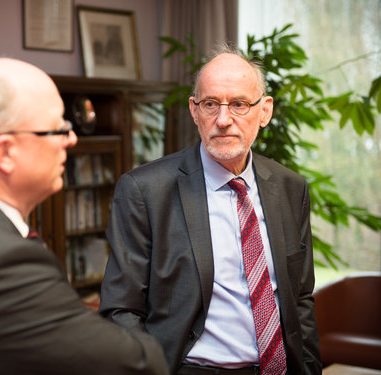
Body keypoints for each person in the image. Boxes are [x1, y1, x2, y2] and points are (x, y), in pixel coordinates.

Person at [0, 57, 169, 375]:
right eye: (57, 128)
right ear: (5, 152)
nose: (71, 139)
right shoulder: (0, 264)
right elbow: (137, 365)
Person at [99, 46, 322, 375]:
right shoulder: (145, 191)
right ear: (194, 110)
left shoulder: (290, 188)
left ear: (265, 111)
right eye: (210, 104)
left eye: (239, 105)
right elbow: (121, 309)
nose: (223, 119)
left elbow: (300, 297)